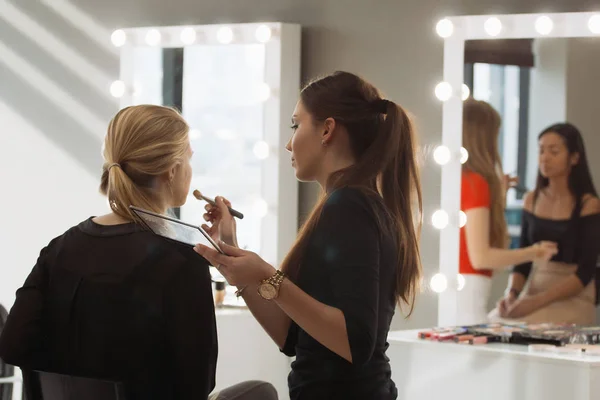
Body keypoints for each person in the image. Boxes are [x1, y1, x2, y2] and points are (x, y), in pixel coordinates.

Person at [0, 105, 277, 400]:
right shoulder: (181, 262)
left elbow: (13, 345)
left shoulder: (60, 248)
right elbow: (197, 384)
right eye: (189, 158)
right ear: (172, 169)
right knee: (261, 392)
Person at [194, 71, 422, 400]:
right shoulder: (350, 204)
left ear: (327, 129)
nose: (289, 143)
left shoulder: (350, 205)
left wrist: (268, 275)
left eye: (295, 125)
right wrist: (234, 255)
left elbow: (355, 342)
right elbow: (292, 339)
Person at [457, 99, 558, 325]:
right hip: (469, 302)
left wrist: (497, 201)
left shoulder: (458, 180)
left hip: (461, 298)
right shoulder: (476, 183)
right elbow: (482, 257)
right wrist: (534, 252)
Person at [489, 123, 600, 324]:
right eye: (541, 150)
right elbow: (523, 258)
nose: (544, 158)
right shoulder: (532, 199)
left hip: (572, 295)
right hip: (534, 287)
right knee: (492, 323)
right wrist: (512, 294)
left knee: (528, 329)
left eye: (554, 151)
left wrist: (535, 302)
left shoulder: (588, 205)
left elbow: (585, 272)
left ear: (574, 158)